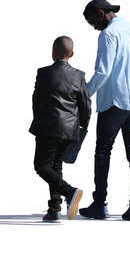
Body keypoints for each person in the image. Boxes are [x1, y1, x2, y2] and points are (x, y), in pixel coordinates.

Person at [79, 0, 130, 220]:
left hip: (115, 101)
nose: (94, 27)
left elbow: (102, 72)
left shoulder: (108, 35)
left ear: (101, 14)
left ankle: (100, 203)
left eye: (93, 22)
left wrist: (85, 95)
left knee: (103, 151)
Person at [29, 36, 91, 222]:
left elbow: (36, 100)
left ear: (53, 52)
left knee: (41, 166)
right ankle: (54, 209)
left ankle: (70, 192)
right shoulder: (79, 75)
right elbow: (85, 104)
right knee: (55, 167)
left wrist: (38, 119)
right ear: (72, 54)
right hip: (70, 129)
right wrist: (83, 125)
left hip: (47, 127)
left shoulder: (43, 73)